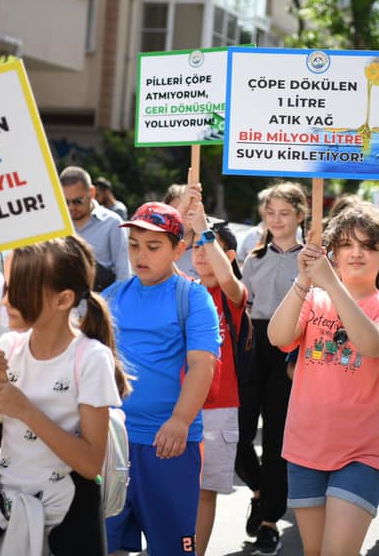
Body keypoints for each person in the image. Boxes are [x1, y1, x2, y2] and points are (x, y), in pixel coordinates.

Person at [0, 236, 128, 555]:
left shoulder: (90, 358)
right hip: (7, 514)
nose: (5, 301)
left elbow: (91, 463)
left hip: (68, 522)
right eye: (6, 288)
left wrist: (26, 411)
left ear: (62, 299)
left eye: (18, 290)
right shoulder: (8, 348)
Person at [268, 202, 379, 556]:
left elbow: (372, 344)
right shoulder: (312, 297)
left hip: (363, 450)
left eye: (368, 245)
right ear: (332, 251)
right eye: (346, 244)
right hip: (305, 444)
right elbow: (278, 335)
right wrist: (304, 279)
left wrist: (331, 283)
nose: (356, 253)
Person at [104, 202, 220, 556]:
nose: (141, 254)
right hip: (113, 445)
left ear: (178, 249)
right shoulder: (111, 296)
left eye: (153, 247)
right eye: (134, 245)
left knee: (172, 548)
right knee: (107, 545)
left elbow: (203, 365)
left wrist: (180, 420)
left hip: (168, 444)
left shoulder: (193, 297)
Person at [237, 182, 309, 555]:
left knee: (278, 440)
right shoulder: (253, 258)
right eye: (270, 212)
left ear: (300, 215)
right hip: (254, 345)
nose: (276, 219)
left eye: (284, 212)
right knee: (238, 432)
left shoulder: (309, 259)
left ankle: (269, 521)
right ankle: (258, 491)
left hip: (291, 346)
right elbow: (244, 306)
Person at [180, 185, 248, 556]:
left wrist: (205, 230)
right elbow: (157, 251)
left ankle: (194, 552)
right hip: (178, 406)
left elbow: (228, 279)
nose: (201, 254)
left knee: (204, 492)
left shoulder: (231, 294)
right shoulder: (182, 290)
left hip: (219, 407)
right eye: (196, 248)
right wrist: (185, 208)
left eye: (209, 248)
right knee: (175, 489)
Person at [60, 166, 131, 291]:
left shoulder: (112, 222)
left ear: (92, 193)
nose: (71, 207)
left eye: (77, 201)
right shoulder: (57, 224)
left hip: (102, 300)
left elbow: (123, 273)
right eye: (65, 202)